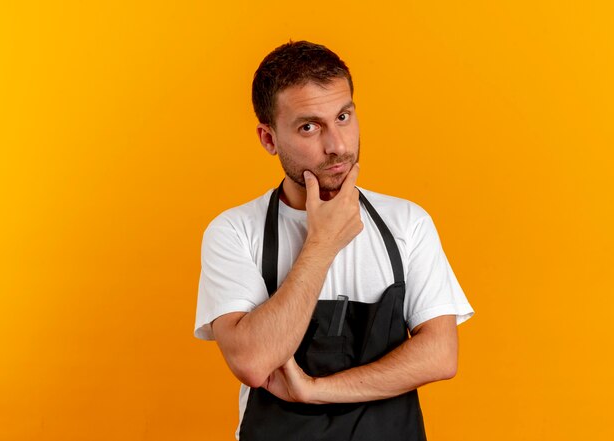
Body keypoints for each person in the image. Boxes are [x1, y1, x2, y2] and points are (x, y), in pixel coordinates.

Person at [194, 40, 474, 441]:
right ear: (269, 139)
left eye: (343, 117)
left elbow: (441, 355)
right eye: (309, 126)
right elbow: (253, 362)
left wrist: (314, 390)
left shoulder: (407, 222)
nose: (338, 146)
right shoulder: (235, 231)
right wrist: (321, 244)